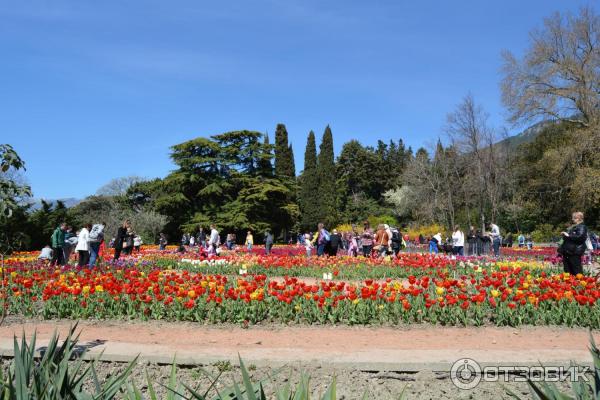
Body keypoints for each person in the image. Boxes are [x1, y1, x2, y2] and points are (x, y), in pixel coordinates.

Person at [559, 211, 588, 275]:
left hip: (574, 251)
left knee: (576, 269)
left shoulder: (582, 227)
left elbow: (580, 237)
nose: (572, 219)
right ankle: (570, 283)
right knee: (568, 270)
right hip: (568, 251)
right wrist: (565, 235)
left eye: (574, 218)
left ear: (579, 218)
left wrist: (568, 235)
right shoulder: (574, 226)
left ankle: (579, 283)